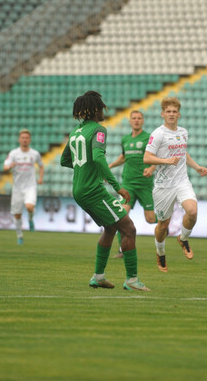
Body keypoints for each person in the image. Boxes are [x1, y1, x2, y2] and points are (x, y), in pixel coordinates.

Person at [60, 91, 149, 291]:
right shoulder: (98, 130)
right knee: (129, 229)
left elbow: (64, 160)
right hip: (93, 190)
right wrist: (118, 187)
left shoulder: (76, 132)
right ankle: (132, 280)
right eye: (101, 107)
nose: (104, 110)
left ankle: (98, 277)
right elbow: (99, 158)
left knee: (110, 228)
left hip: (79, 189)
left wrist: (84, 170)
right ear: (94, 110)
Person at [144, 97, 207, 272]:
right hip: (164, 186)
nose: (171, 114)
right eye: (168, 112)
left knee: (193, 211)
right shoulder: (158, 134)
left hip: (182, 181)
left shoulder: (183, 132)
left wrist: (196, 167)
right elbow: (147, 157)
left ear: (178, 114)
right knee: (163, 225)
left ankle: (183, 238)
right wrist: (165, 161)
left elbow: (183, 153)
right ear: (162, 114)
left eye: (174, 112)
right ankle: (160, 252)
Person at [108, 110, 156, 258]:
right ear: (130, 121)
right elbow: (123, 157)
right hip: (128, 184)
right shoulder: (125, 139)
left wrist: (152, 168)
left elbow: (155, 157)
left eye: (139, 118)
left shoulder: (149, 138)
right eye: (134, 118)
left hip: (144, 184)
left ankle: (165, 222)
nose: (136, 120)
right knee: (120, 215)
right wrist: (108, 167)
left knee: (150, 219)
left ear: (143, 121)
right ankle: (122, 249)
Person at [3, 129, 44, 245]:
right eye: (23, 138)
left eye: (27, 138)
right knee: (17, 214)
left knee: (30, 207)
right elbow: (5, 167)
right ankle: (19, 235)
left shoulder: (34, 154)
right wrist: (10, 166)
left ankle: (30, 219)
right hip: (17, 188)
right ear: (19, 139)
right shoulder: (13, 154)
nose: (25, 140)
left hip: (30, 186)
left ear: (29, 140)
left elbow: (41, 166)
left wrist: (40, 178)